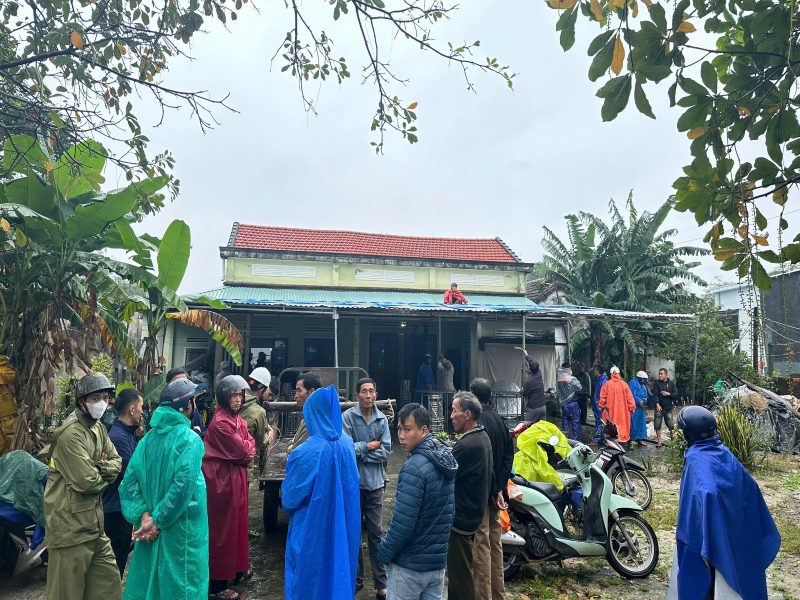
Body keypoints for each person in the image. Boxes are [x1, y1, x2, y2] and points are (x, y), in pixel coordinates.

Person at [668, 406, 781, 600]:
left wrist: (711, 515)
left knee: (710, 584)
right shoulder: (720, 450)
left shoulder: (696, 457)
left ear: (689, 434)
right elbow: (748, 487)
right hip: (729, 530)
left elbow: (708, 492)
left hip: (711, 537)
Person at [119, 379, 209, 599]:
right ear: (187, 406)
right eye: (194, 401)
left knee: (150, 587)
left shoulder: (146, 441)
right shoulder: (190, 440)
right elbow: (183, 487)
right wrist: (157, 520)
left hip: (149, 531)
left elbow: (128, 484)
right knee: (182, 588)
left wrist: (144, 515)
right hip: (181, 534)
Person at [44, 372, 122, 600]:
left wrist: (102, 468)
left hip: (94, 527)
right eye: (95, 398)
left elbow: (117, 462)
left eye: (105, 398)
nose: (102, 403)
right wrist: (104, 469)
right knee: (66, 594)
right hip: (69, 529)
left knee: (109, 589)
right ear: (82, 401)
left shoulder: (98, 428)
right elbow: (87, 482)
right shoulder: (71, 434)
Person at [283, 385, 361, 600]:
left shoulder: (304, 452)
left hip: (310, 530)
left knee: (309, 581)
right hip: (343, 524)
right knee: (339, 570)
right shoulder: (347, 444)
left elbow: (289, 499)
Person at [378, 403, 456, 600]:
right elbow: (449, 513)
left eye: (408, 429)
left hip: (409, 567)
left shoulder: (414, 467)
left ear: (424, 430)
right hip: (436, 565)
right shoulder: (444, 458)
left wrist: (384, 553)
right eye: (399, 429)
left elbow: (402, 525)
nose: (401, 436)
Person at [203, 375, 256, 599]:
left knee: (237, 527)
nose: (238, 400)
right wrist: (246, 448)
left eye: (240, 395)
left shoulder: (235, 420)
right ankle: (217, 586)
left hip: (234, 478)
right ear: (224, 397)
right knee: (222, 532)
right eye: (233, 395)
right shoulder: (221, 423)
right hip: (221, 482)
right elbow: (245, 451)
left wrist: (246, 448)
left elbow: (249, 444)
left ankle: (235, 569)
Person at [342, 377, 391, 598]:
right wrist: (367, 446)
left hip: (376, 485)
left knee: (376, 534)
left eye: (372, 391)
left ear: (376, 395)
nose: (368, 395)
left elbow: (386, 451)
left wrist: (361, 452)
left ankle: (381, 583)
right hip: (354, 485)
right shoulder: (348, 417)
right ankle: (356, 579)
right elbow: (346, 451)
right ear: (357, 395)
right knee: (353, 533)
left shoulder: (382, 420)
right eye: (364, 391)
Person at [470, 378, 513, 600]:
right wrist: (501, 486)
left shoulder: (479, 424)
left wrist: (494, 487)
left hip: (485, 493)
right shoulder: (498, 419)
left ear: (474, 398)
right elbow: (508, 454)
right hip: (496, 493)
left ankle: (483, 596)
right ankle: (499, 594)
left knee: (481, 547)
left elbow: (486, 461)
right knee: (495, 545)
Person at [448, 391, 492, 600]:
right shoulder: (482, 436)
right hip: (475, 514)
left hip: (461, 520)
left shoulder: (467, 445)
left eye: (454, 411)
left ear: (466, 414)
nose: (450, 416)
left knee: (460, 579)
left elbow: (445, 471)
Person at [103, 388, 143, 575]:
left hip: (120, 508)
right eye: (141, 407)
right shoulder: (118, 437)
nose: (143, 411)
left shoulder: (127, 433)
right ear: (132, 409)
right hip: (114, 510)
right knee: (113, 566)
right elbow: (132, 471)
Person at [242, 366, 274, 474]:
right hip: (244, 463)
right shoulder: (259, 412)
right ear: (262, 389)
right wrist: (269, 433)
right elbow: (261, 442)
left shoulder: (233, 401)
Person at [287, 371, 322, 454]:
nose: (295, 396)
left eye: (299, 390)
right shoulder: (307, 418)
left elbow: (294, 452)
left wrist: (290, 447)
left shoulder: (313, 421)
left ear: (311, 391)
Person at [598, 366, 636, 443]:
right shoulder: (624, 384)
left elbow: (602, 399)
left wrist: (601, 406)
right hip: (623, 412)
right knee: (623, 425)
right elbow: (630, 399)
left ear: (611, 374)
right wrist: (632, 408)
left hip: (610, 412)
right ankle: (622, 437)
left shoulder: (607, 384)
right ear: (619, 374)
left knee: (610, 425)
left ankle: (611, 438)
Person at [166, 366, 206, 435]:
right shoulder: (164, 409)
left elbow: (202, 430)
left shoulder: (192, 406)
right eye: (177, 383)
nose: (182, 386)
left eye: (185, 382)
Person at [557, 362, 582, 441]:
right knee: (575, 423)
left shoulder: (559, 379)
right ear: (568, 369)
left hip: (564, 404)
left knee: (565, 422)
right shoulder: (572, 378)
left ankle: (565, 441)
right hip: (573, 404)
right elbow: (579, 387)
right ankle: (576, 442)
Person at [653, 367, 678, 447]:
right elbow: (655, 394)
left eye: (661, 374)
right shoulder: (657, 383)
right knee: (657, 425)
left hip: (668, 408)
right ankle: (659, 442)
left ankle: (673, 442)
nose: (659, 375)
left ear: (666, 375)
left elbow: (676, 394)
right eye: (659, 374)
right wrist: (657, 404)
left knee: (671, 425)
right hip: (659, 407)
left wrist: (668, 394)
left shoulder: (671, 383)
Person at [521, 349, 546, 423]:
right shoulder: (539, 373)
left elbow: (525, 393)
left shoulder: (528, 380)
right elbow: (533, 362)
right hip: (543, 407)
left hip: (533, 408)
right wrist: (526, 355)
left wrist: (521, 391)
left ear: (529, 368)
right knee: (541, 428)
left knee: (525, 427)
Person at [628, 371, 649, 445]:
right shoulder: (632, 383)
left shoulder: (643, 386)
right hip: (634, 407)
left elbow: (645, 394)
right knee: (633, 422)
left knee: (641, 423)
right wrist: (639, 401)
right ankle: (631, 438)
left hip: (641, 408)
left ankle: (640, 438)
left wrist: (644, 401)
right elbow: (631, 395)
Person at [592, 364, 609, 444]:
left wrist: (600, 404)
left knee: (600, 421)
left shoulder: (603, 381)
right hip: (598, 405)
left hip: (600, 406)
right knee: (598, 421)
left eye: (595, 370)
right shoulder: (600, 379)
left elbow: (603, 395)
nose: (594, 371)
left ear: (598, 371)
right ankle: (599, 438)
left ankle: (598, 439)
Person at [573, 361, 592, 426]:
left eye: (581, 367)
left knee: (584, 410)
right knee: (576, 410)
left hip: (584, 395)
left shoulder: (587, 376)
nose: (580, 369)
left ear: (584, 368)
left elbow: (589, 386)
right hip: (577, 395)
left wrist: (589, 396)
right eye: (579, 367)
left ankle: (583, 423)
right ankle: (577, 422)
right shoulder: (575, 376)